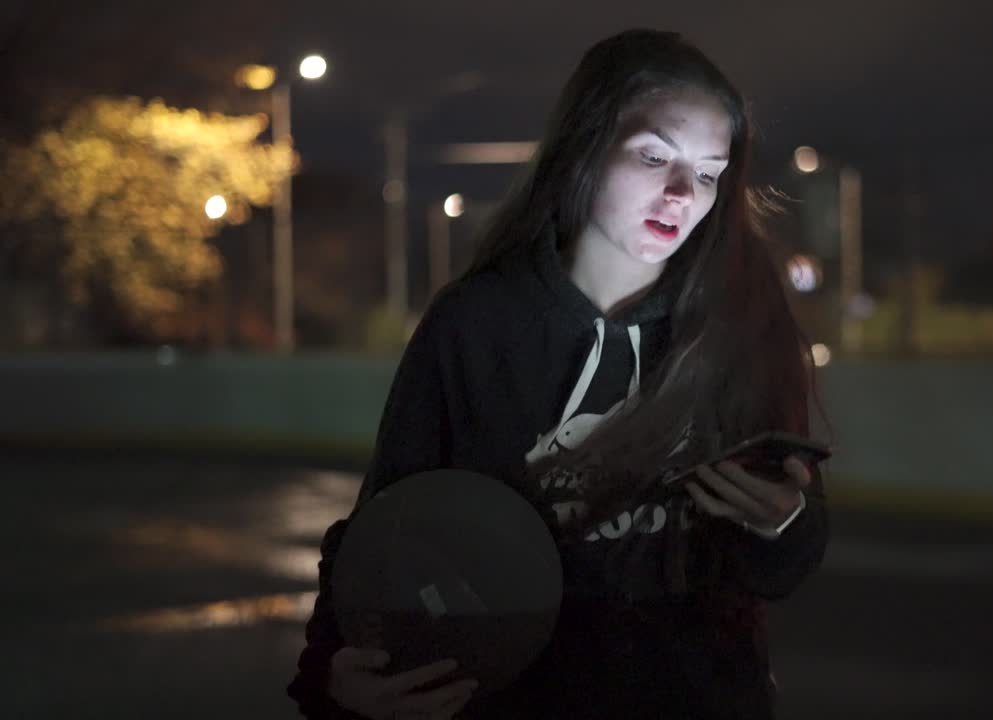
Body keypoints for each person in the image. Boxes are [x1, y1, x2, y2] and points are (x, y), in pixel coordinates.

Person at [287, 28, 829, 720]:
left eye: (709, 172)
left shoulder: (744, 326)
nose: (681, 192)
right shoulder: (477, 324)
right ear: (585, 146)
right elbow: (386, 527)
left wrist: (786, 522)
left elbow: (776, 569)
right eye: (654, 155)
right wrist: (330, 677)